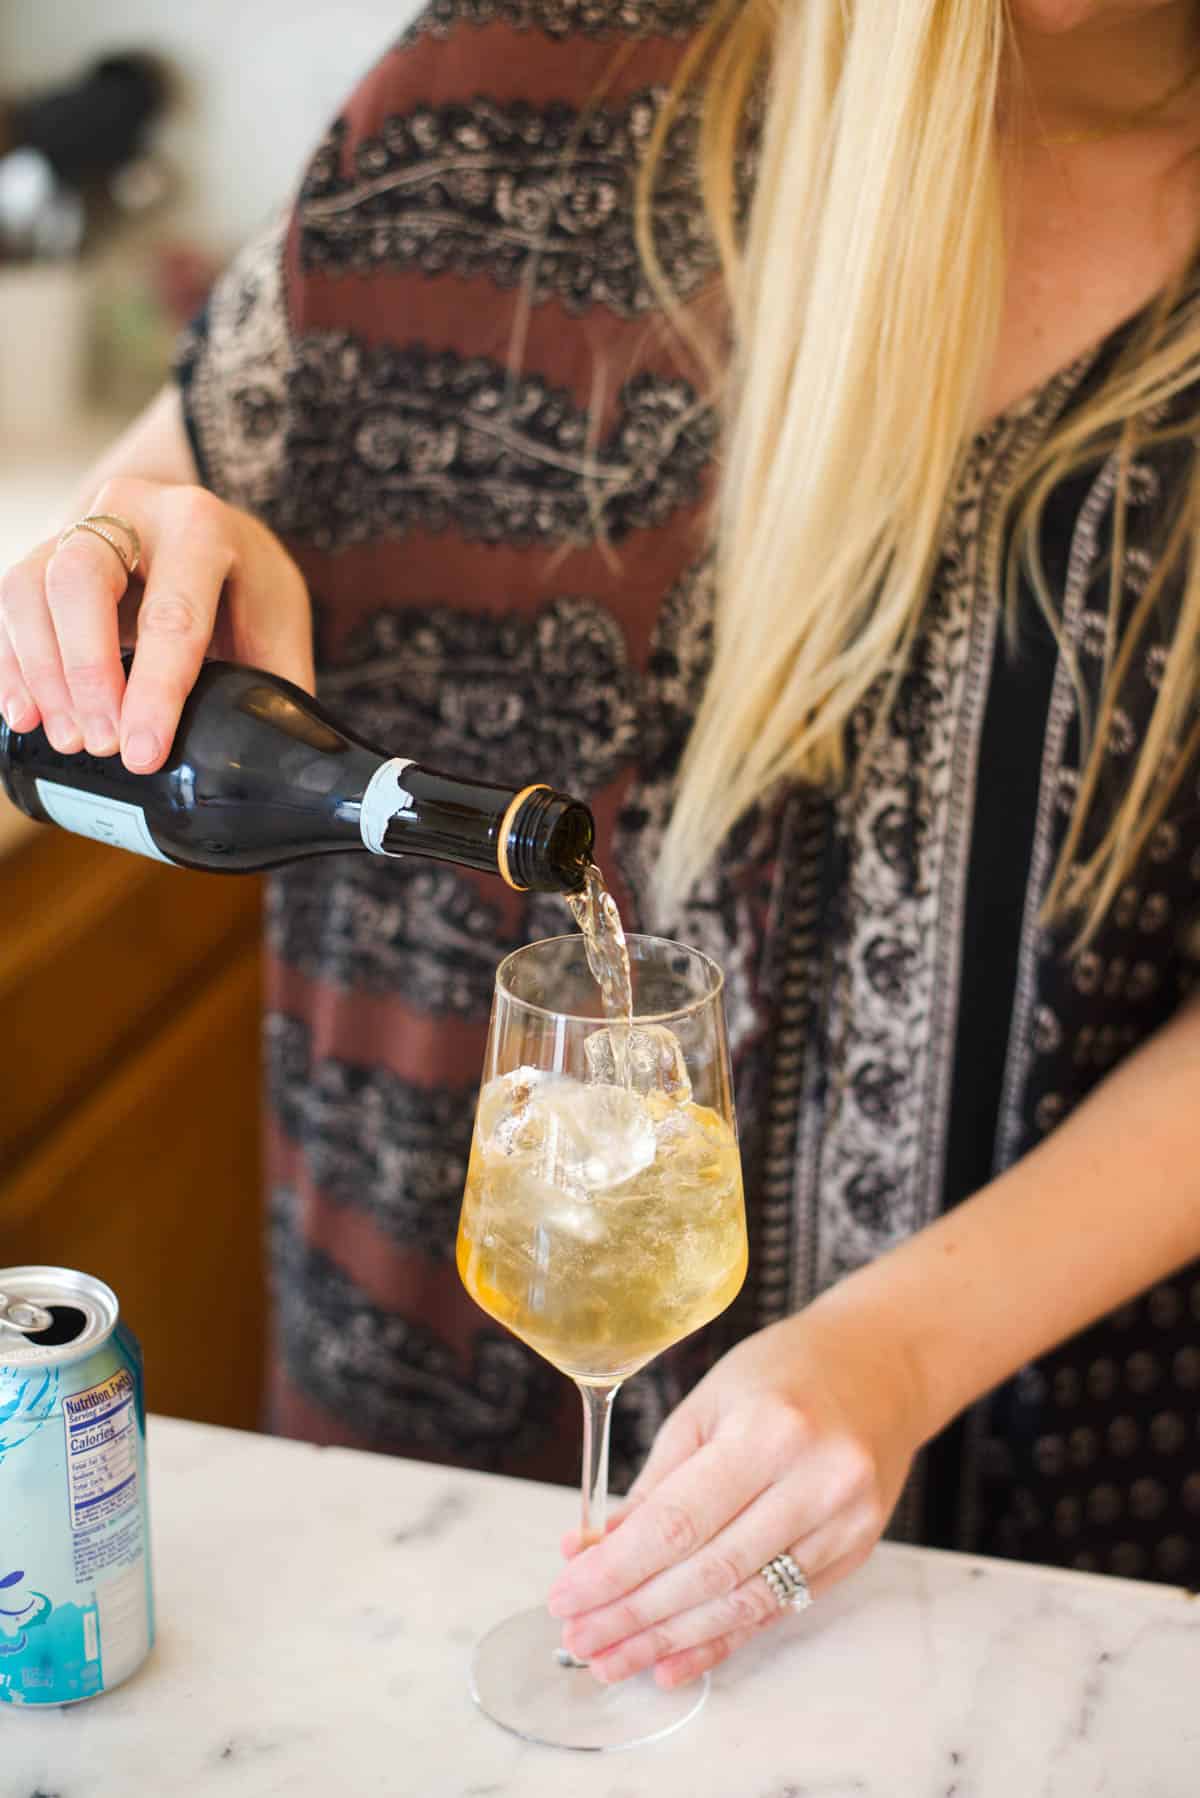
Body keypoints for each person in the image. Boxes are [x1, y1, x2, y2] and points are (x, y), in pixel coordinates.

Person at [3, 0, 1200, 1693]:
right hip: (404, 1486)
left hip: (1010, 1562)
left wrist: (900, 1346)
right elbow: (182, 472)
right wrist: (142, 552)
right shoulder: (522, 73)